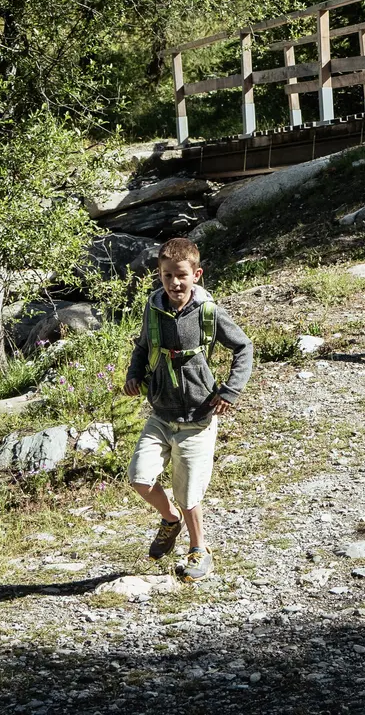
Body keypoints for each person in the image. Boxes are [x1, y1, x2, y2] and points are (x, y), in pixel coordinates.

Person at [123, 236, 253, 581]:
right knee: (139, 478)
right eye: (167, 276)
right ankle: (169, 521)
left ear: (197, 274)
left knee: (188, 494)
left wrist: (230, 390)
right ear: (159, 275)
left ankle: (199, 549)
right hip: (161, 413)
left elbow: (244, 347)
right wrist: (134, 374)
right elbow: (142, 346)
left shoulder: (207, 311)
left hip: (198, 416)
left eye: (181, 275)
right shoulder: (154, 307)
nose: (174, 283)